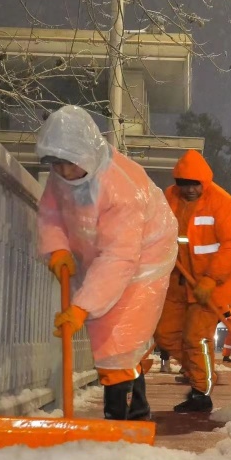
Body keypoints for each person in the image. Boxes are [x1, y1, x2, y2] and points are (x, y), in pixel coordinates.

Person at [36, 105, 177, 421]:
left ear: (86, 155)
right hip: (106, 256)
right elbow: (51, 212)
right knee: (121, 341)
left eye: (69, 164)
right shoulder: (64, 174)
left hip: (145, 259)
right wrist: (57, 248)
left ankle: (118, 419)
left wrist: (82, 307)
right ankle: (136, 411)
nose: (63, 172)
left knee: (117, 338)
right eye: (56, 164)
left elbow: (118, 257)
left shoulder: (121, 189)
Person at [154, 150, 231, 412]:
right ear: (177, 183)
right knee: (164, 334)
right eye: (184, 184)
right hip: (178, 280)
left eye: (195, 184)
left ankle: (201, 394)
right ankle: (202, 372)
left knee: (196, 338)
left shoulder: (225, 204)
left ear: (205, 181)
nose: (190, 190)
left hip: (211, 285)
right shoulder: (168, 197)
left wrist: (210, 280)